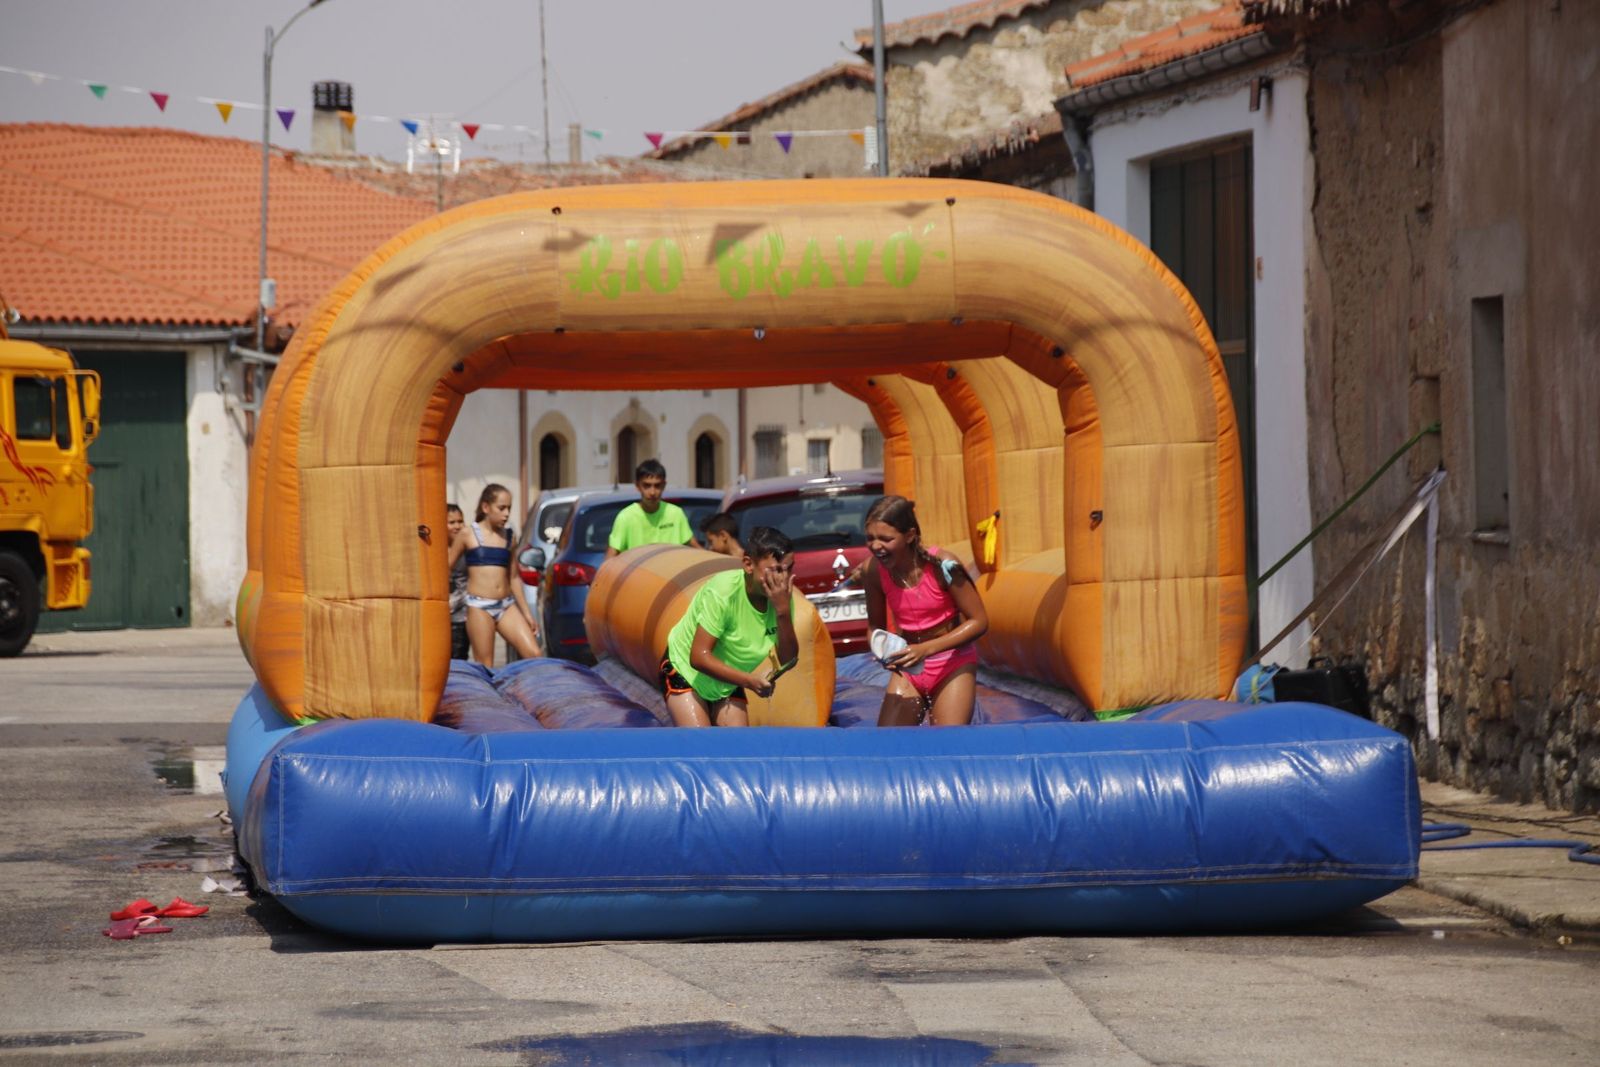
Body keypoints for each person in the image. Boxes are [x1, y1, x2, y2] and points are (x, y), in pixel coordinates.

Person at [862, 495, 989, 727]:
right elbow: (874, 627)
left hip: (952, 663)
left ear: (910, 536)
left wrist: (925, 649)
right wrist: (881, 650)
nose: (875, 546)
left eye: (885, 539)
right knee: (888, 745)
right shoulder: (872, 570)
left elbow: (979, 621)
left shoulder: (943, 565)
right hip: (909, 666)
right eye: (870, 538)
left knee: (946, 745)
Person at [659, 526, 797, 728]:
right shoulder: (724, 592)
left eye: (789, 569)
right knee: (702, 747)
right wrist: (749, 681)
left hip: (728, 681)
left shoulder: (781, 599)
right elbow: (698, 657)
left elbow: (788, 660)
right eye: (776, 570)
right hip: (685, 673)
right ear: (748, 564)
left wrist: (783, 612)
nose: (783, 579)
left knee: (738, 749)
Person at [447, 483, 542, 667]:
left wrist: (527, 614)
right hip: (479, 606)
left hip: (506, 605)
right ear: (485, 507)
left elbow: (513, 577)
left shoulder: (509, 536)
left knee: (534, 654)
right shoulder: (467, 534)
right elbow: (446, 569)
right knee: (486, 666)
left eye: (509, 508)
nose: (507, 514)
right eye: (502, 508)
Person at [605, 459, 696, 559]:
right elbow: (610, 559)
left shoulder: (676, 514)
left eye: (657, 486)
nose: (652, 492)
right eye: (647, 486)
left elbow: (696, 550)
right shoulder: (626, 517)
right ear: (638, 486)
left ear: (664, 485)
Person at [445, 503, 470, 660]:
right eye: (452, 522)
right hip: (444, 615)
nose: (457, 526)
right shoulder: (435, 549)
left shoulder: (468, 549)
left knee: (459, 659)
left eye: (460, 521)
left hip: (463, 615)